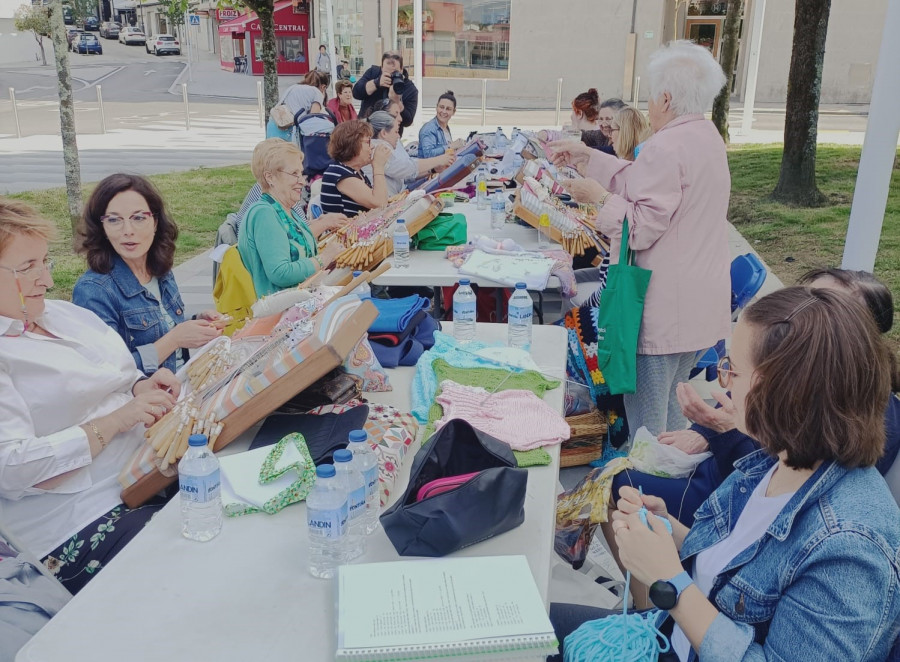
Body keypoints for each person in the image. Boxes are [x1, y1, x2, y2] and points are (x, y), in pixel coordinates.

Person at [552, 286, 900, 661]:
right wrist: (666, 527)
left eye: (732, 369)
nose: (724, 383)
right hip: (669, 634)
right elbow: (731, 565)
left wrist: (669, 579)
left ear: (781, 392)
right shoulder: (774, 460)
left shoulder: (850, 549)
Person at [551, 41, 731, 440]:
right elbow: (645, 182)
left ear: (666, 97)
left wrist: (597, 197)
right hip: (698, 305)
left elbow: (641, 224)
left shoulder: (667, 145)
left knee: (649, 428)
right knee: (672, 414)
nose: (648, 105)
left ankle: (646, 491)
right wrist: (587, 157)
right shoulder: (706, 136)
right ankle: (664, 486)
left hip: (663, 307)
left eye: (651, 95)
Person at [0, 197, 180, 595]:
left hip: (150, 467)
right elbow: (10, 468)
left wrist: (142, 388)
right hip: (84, 516)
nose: (45, 279)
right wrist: (118, 420)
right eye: (27, 267)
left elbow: (120, 375)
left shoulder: (60, 314)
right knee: (197, 553)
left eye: (44, 262)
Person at [73, 174, 223, 375]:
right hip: (145, 402)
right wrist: (175, 339)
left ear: (155, 222)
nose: (128, 230)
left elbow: (156, 324)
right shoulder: (93, 290)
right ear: (102, 228)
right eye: (114, 220)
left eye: (138, 218)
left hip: (185, 386)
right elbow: (107, 370)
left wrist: (195, 321)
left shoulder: (160, 269)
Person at [237, 139, 347, 298]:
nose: (302, 181)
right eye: (294, 174)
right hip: (283, 312)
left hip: (302, 303)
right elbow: (280, 273)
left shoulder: (286, 209)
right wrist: (324, 258)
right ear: (270, 177)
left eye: (301, 173)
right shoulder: (264, 213)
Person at [362, 111, 454, 197]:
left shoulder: (379, 145)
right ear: (384, 133)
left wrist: (433, 169)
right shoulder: (379, 148)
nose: (398, 136)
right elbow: (407, 168)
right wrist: (439, 160)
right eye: (396, 132)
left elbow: (405, 176)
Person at [319, 119, 392, 217]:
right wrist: (378, 166)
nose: (372, 146)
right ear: (353, 144)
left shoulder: (354, 171)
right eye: (367, 142)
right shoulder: (338, 172)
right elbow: (380, 204)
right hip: (347, 232)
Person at [353, 51, 419, 135]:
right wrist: (376, 83)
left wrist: (397, 102)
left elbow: (408, 121)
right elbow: (356, 93)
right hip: (366, 130)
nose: (390, 76)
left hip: (391, 134)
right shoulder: (373, 73)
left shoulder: (409, 88)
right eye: (386, 73)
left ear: (402, 70)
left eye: (394, 73)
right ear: (381, 68)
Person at [537, 88, 607, 150]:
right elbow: (555, 135)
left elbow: (557, 136)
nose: (571, 116)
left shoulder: (576, 135)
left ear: (580, 113)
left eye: (573, 111)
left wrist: (544, 134)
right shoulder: (604, 133)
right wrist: (545, 133)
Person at [266, 71, 327, 141]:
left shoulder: (293, 87)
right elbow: (313, 118)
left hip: (273, 125)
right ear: (323, 87)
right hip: (288, 131)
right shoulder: (317, 92)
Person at [417, 90, 465, 158]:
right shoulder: (429, 128)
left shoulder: (446, 128)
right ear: (436, 107)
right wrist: (451, 146)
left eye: (448, 109)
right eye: (441, 107)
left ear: (453, 112)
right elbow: (428, 155)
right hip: (430, 168)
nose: (444, 111)